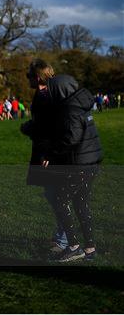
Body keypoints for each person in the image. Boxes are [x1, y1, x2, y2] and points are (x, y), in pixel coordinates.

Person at [44, 74, 103, 262]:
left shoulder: (70, 109)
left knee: (60, 200)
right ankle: (90, 248)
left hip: (79, 165)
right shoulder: (80, 105)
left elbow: (71, 138)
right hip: (91, 163)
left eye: (51, 90)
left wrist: (51, 155)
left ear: (59, 91)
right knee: (81, 204)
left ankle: (74, 246)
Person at [20, 59, 68, 253]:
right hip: (49, 150)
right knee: (55, 195)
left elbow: (54, 126)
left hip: (50, 153)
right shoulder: (47, 93)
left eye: (29, 76)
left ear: (38, 77)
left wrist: (49, 152)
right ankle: (62, 237)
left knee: (57, 196)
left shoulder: (46, 95)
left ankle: (64, 240)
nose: (27, 79)